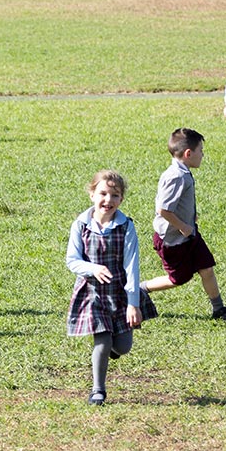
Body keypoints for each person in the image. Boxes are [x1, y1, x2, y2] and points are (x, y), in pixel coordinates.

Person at [66, 170, 158, 406]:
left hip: (119, 293)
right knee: (103, 340)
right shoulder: (81, 224)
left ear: (121, 199)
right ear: (92, 194)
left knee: (123, 346)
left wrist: (133, 303)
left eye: (115, 195)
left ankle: (111, 353)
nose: (108, 200)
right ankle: (98, 390)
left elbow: (131, 266)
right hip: (93, 293)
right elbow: (72, 260)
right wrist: (92, 268)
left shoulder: (126, 226)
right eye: (103, 193)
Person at [141, 128, 226, 324]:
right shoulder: (176, 176)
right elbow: (163, 210)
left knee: (207, 268)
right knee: (178, 279)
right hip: (172, 239)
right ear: (188, 154)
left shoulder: (182, 172)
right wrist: (182, 226)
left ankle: (219, 308)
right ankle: (141, 288)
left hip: (188, 235)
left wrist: (190, 219)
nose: (202, 154)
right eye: (200, 150)